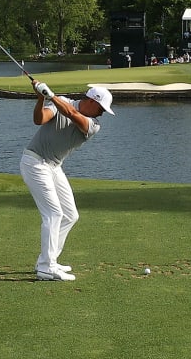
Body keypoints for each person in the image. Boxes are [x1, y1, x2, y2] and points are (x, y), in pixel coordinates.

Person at [21, 81, 115, 282]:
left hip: (54, 166)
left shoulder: (93, 125)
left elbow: (72, 115)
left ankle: (47, 259)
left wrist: (51, 95)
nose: (102, 114)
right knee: (54, 214)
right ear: (91, 101)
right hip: (35, 162)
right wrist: (40, 98)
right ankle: (47, 268)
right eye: (101, 109)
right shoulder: (61, 101)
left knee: (70, 215)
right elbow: (40, 119)